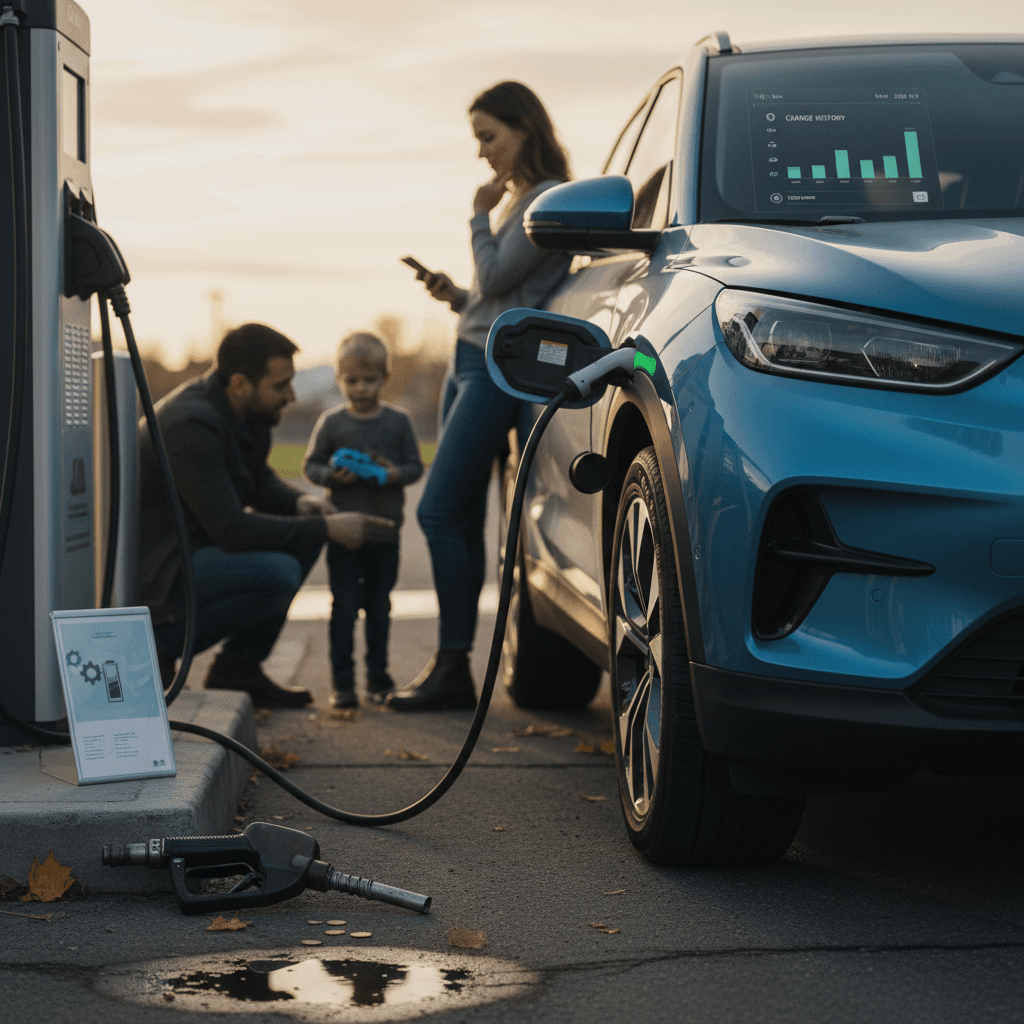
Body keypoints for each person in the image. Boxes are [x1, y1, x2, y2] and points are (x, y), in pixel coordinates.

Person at [387, 81, 572, 711]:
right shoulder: (522, 201)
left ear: (525, 130)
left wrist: (476, 215)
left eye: (488, 137)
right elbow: (496, 295)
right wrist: (455, 296)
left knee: (436, 513)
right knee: (460, 517)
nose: (481, 153)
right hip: (470, 353)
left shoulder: (545, 200)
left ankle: (451, 664)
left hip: (495, 367)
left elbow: (495, 274)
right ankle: (452, 667)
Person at [138, 322, 393, 708]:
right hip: (164, 567)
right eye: (280, 385)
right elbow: (231, 530)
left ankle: (239, 666)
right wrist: (326, 527)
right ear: (240, 384)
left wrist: (299, 503)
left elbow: (256, 479)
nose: (290, 395)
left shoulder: (246, 412)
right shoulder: (190, 424)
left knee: (303, 540)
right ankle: (159, 645)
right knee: (279, 573)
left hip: (200, 545)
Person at [302, 332, 423, 709]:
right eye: (352, 380)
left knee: (379, 607)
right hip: (344, 534)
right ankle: (343, 683)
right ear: (340, 379)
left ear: (384, 378)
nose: (360, 388)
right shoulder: (331, 422)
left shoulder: (398, 422)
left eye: (369, 380)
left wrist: (390, 475)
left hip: (385, 534)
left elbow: (415, 467)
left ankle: (378, 678)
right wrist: (330, 478)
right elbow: (311, 465)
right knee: (343, 606)